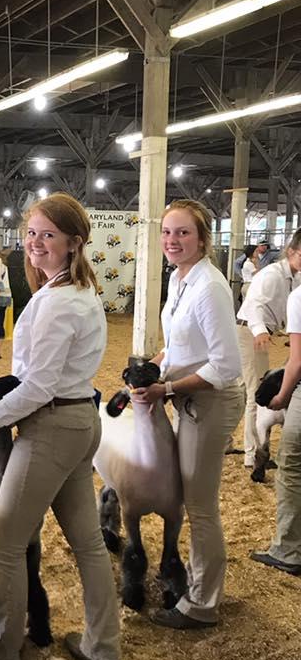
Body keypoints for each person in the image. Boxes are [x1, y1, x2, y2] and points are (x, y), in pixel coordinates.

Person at [0, 193, 120, 660]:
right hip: (77, 421)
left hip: (52, 426)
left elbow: (38, 386)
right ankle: (103, 646)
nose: (35, 243)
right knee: (88, 542)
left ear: (73, 243)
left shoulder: (57, 303)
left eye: (47, 235)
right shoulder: (77, 293)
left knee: (5, 542)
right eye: (30, 233)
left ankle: (2, 654)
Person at [134, 199, 243, 629]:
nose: (172, 241)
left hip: (209, 404)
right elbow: (181, 346)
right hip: (188, 399)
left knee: (200, 506)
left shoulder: (210, 286)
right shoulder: (180, 279)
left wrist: (168, 388)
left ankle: (202, 603)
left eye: (182, 233)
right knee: (186, 496)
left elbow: (225, 366)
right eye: (166, 232)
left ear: (203, 239)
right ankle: (190, 581)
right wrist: (154, 367)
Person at [236, 230, 301, 468]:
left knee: (243, 388)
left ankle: (238, 445)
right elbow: (253, 302)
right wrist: (260, 329)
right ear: (290, 251)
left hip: (261, 333)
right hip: (249, 332)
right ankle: (253, 456)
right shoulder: (272, 274)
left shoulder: (295, 278)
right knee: (258, 393)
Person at [251, 280, 301, 575]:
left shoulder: (298, 297)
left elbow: (297, 360)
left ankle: (288, 550)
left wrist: (282, 395)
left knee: (292, 466)